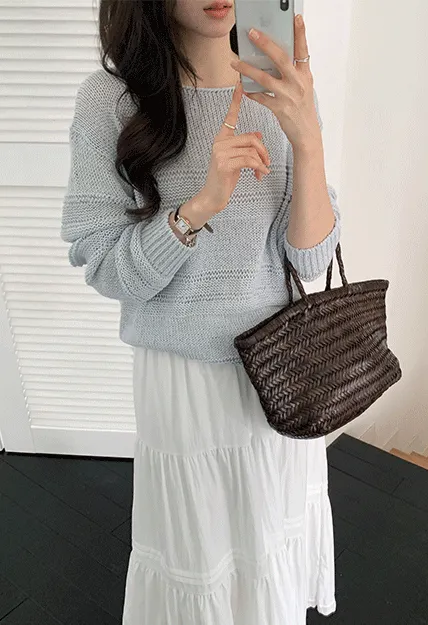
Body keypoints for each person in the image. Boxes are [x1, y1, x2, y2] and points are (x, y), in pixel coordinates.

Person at [61, 1, 341, 623]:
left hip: (282, 374)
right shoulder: (111, 102)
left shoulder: (282, 87)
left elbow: (312, 256)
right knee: (200, 562)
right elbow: (103, 264)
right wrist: (199, 206)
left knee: (272, 548)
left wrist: (308, 140)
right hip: (186, 387)